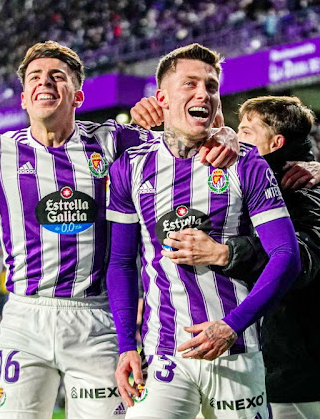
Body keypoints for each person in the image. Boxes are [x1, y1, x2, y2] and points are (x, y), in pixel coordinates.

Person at [0, 41, 237, 419]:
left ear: (78, 97)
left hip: (96, 319)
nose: (45, 82)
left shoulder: (114, 141)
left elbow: (191, 132)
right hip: (25, 319)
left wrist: (225, 133)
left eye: (57, 76)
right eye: (35, 77)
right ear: (24, 98)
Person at [132, 95, 320, 418]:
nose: (234, 138)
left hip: (319, 380)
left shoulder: (303, 191)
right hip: (268, 372)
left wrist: (225, 252)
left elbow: (298, 263)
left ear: (276, 142)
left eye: (245, 132)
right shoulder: (242, 183)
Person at [106, 44, 301, 419]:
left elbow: (286, 256)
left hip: (237, 350)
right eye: (190, 84)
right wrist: (125, 345)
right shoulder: (129, 168)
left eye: (211, 86)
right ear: (161, 98)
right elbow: (120, 264)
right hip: (166, 353)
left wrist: (231, 326)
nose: (203, 94)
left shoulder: (246, 163)